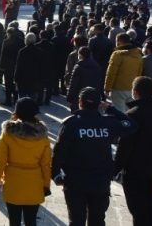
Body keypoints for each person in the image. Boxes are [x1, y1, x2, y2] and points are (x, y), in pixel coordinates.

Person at [51, 87, 137, 226]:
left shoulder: (71, 123)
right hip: (100, 181)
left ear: (80, 102)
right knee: (97, 220)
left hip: (75, 181)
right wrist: (110, 109)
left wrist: (55, 174)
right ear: (99, 104)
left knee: (76, 221)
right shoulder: (107, 123)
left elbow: (59, 151)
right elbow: (131, 125)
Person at [114, 76, 152, 226]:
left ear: (134, 92)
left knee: (138, 211)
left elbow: (124, 146)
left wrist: (115, 168)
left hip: (135, 171)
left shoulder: (132, 115)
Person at [0, 98, 51, 226]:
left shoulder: (7, 133)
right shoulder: (43, 137)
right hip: (34, 183)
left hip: (13, 182)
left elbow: (0, 160)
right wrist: (46, 185)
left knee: (14, 221)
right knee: (31, 221)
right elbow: (46, 165)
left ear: (16, 113)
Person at [103, 33, 143, 111]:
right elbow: (139, 72)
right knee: (130, 112)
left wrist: (107, 88)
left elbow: (111, 73)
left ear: (118, 41)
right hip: (132, 87)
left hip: (118, 88)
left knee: (119, 113)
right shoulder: (138, 54)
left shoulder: (117, 54)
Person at [67, 47, 103, 113]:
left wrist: (69, 97)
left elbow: (73, 84)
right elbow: (100, 82)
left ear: (80, 55)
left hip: (79, 95)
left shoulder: (78, 67)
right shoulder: (97, 66)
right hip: (93, 95)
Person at [0, 27, 25, 106]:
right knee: (15, 83)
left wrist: (1, 66)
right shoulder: (21, 40)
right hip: (17, 64)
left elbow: (3, 54)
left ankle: (8, 100)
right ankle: (15, 99)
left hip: (8, 65)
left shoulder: (6, 41)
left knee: (8, 83)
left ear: (8, 33)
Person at [14, 33, 41, 99]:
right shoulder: (39, 51)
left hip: (23, 79)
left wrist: (16, 79)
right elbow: (41, 67)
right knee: (32, 100)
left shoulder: (22, 51)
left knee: (21, 99)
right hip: (34, 79)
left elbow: (18, 66)